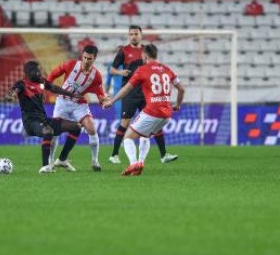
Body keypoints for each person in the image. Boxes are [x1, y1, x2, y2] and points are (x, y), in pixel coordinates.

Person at [103, 44, 185, 176]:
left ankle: (134, 163)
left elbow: (127, 89)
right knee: (145, 135)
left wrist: (112, 101)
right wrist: (177, 105)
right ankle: (141, 162)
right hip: (167, 114)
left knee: (128, 138)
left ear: (144, 55)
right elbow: (181, 89)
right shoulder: (166, 69)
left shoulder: (142, 70)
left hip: (152, 111)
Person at [108, 25, 178, 165]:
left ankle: (164, 155)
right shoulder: (124, 51)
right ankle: (114, 154)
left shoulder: (146, 50)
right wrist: (121, 72)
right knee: (125, 122)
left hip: (146, 93)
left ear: (141, 35)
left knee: (154, 124)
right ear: (129, 36)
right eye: (131, 34)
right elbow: (112, 69)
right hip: (129, 92)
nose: (134, 36)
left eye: (136, 33)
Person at [5, 61, 83, 174]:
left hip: (44, 120)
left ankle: (62, 159)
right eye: (38, 70)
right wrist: (10, 96)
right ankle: (45, 166)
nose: (40, 73)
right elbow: (12, 92)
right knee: (48, 131)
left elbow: (55, 88)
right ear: (30, 72)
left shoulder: (42, 82)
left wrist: (71, 94)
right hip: (30, 122)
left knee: (77, 127)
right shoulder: (21, 84)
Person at [46, 45, 109, 172]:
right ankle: (50, 162)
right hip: (62, 102)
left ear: (95, 58)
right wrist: (47, 85)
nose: (86, 61)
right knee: (54, 132)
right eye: (85, 57)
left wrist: (105, 102)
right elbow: (53, 74)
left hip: (79, 104)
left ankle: (95, 161)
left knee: (91, 128)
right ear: (82, 56)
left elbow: (101, 95)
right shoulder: (70, 64)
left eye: (89, 59)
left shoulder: (96, 76)